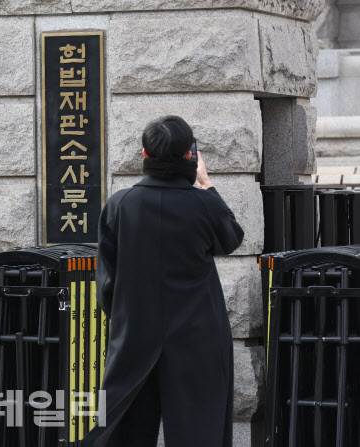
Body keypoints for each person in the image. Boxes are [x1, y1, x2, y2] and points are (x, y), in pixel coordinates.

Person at [82, 116, 244, 447]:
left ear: (145, 154)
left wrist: (127, 323)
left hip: (134, 336)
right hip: (198, 335)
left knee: (120, 427)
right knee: (199, 431)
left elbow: (107, 284)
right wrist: (207, 183)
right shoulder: (202, 205)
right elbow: (231, 238)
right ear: (190, 155)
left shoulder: (120, 205)